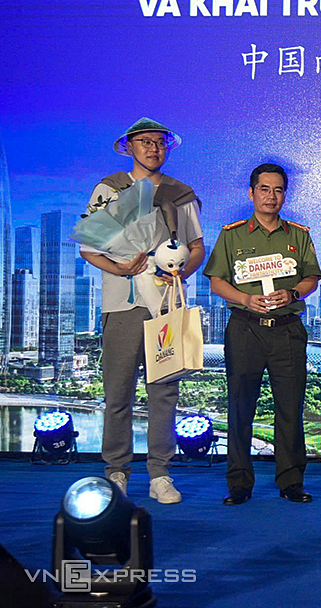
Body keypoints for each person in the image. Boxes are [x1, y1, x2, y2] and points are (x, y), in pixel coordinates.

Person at [79, 118, 205, 504]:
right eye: (144, 142)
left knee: (164, 391)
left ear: (168, 148)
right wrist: (119, 268)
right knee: (118, 392)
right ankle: (116, 471)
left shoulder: (180, 194)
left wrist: (180, 270)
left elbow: (197, 247)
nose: (153, 148)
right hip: (122, 304)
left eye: (159, 142)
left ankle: (160, 473)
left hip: (166, 305)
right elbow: (88, 248)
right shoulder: (110, 189)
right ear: (129, 147)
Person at [204, 163, 321, 505]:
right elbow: (216, 281)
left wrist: (293, 293)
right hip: (245, 330)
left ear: (285, 195)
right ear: (252, 192)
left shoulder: (298, 235)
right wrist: (245, 299)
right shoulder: (233, 234)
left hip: (287, 331)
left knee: (290, 408)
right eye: (265, 189)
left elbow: (312, 278)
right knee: (240, 408)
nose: (271, 196)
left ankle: (291, 481)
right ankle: (239, 483)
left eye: (278, 190)